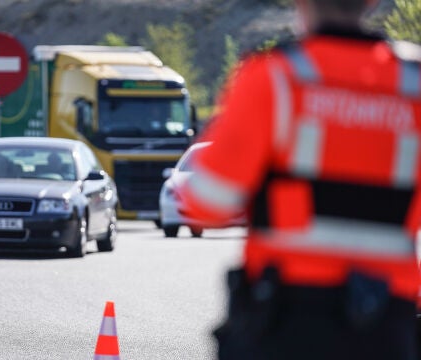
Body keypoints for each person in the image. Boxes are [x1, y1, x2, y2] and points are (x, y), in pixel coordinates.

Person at [180, 1, 421, 359]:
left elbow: (206, 204)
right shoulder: (413, 84)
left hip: (288, 321)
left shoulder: (274, 76)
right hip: (388, 322)